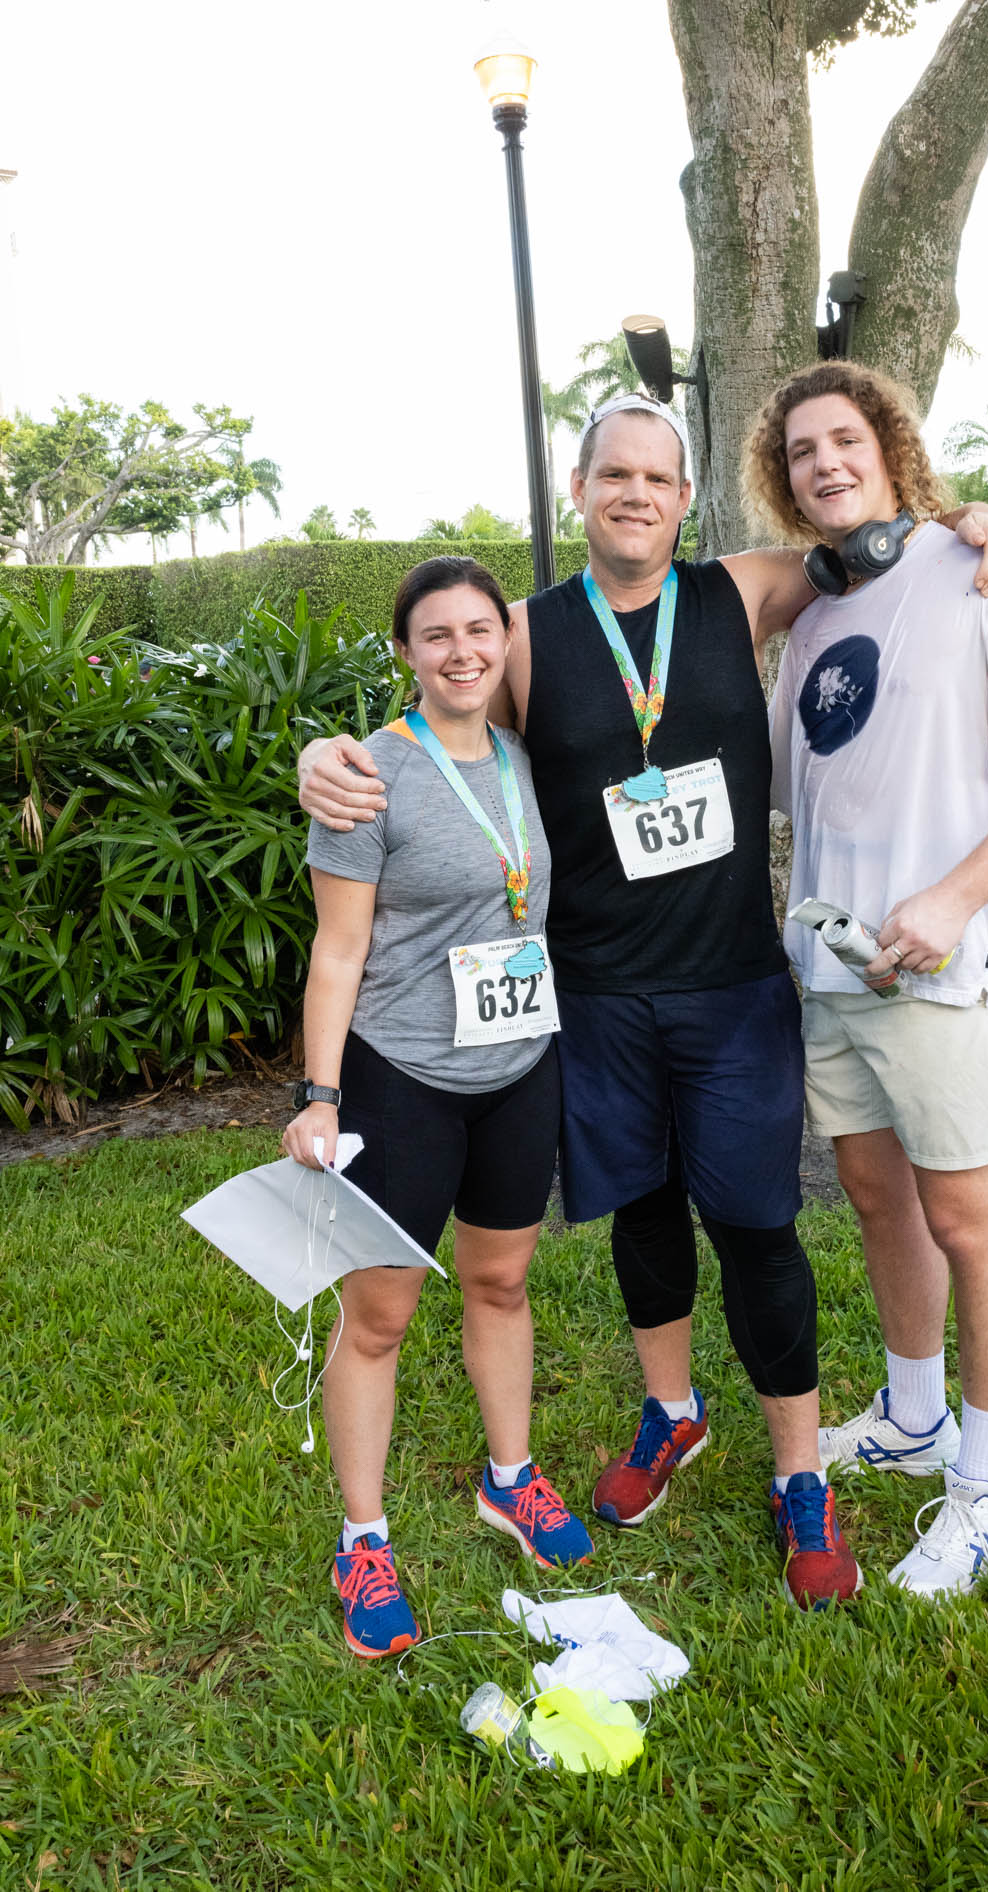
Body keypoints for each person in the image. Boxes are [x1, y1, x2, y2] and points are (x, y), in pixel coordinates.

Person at [298, 395, 988, 1611]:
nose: (635, 494)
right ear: (578, 490)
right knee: (642, 1216)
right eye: (614, 475)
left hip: (732, 984)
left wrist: (979, 516)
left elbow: (876, 538)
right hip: (593, 994)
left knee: (757, 1227)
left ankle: (801, 1473)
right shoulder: (524, 635)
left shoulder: (742, 591)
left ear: (686, 498)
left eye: (658, 477)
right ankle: (672, 1411)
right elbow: (437, 726)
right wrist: (328, 759)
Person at [749, 360, 988, 1601]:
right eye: (801, 451)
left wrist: (953, 897)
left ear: (891, 448)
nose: (824, 464)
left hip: (948, 969)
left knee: (966, 1214)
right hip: (837, 964)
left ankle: (987, 1484)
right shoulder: (815, 615)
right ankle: (912, 1417)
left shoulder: (985, 572)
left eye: (843, 440)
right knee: (873, 1193)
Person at [284, 555, 592, 1660]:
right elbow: (339, 948)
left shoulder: (521, 756)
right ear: (405, 652)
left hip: (520, 1066)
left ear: (504, 640)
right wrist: (321, 1095)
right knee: (380, 1319)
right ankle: (362, 1540)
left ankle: (511, 1479)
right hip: (402, 1074)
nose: (463, 652)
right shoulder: (368, 776)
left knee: (501, 1282)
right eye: (437, 635)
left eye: (479, 631)